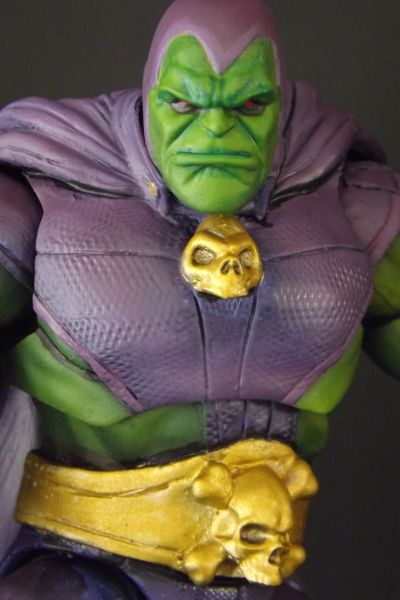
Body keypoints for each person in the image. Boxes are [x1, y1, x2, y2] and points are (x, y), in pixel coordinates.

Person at [0, 1, 398, 598]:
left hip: (264, 568)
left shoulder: (345, 195)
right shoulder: (45, 192)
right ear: (153, 98)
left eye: (248, 106)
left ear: (276, 103)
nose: (216, 131)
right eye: (185, 105)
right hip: (80, 565)